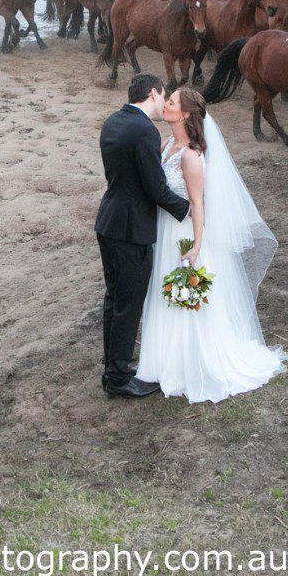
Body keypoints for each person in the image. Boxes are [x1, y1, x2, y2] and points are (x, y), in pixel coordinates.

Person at [135, 88, 288, 403]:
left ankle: (193, 362)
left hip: (183, 235)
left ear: (186, 114)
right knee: (165, 296)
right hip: (164, 231)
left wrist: (196, 246)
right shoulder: (166, 146)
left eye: (172, 102)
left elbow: (197, 203)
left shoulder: (191, 155)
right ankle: (163, 360)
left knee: (186, 298)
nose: (166, 104)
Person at [95, 74, 190, 398]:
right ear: (153, 92)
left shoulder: (113, 122)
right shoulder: (145, 130)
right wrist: (187, 209)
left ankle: (112, 369)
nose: (165, 104)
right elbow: (155, 188)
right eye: (164, 96)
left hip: (108, 220)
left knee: (114, 299)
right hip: (131, 228)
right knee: (129, 302)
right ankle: (120, 378)